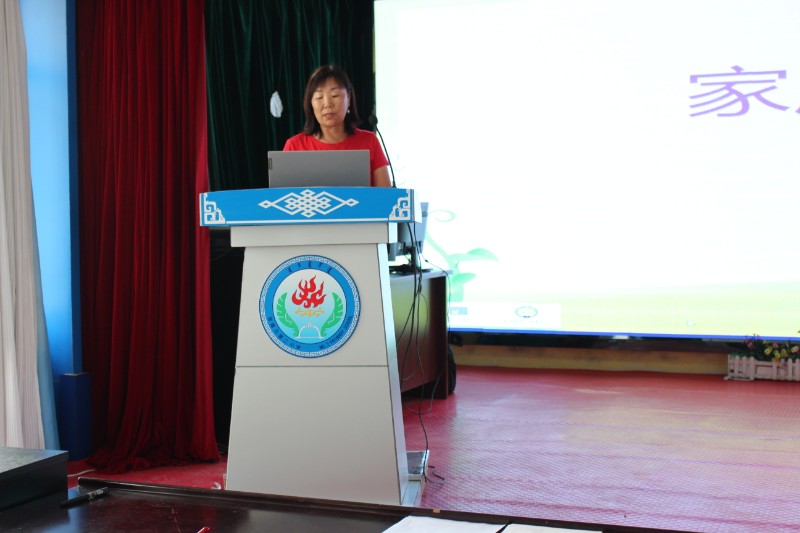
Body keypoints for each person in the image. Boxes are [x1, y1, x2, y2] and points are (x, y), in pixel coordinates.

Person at [283, 65, 392, 187]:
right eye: (319, 97)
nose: (327, 104)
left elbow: (386, 196)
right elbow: (282, 197)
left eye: (335, 95)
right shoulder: (294, 147)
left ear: (349, 98)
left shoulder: (369, 141)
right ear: (310, 104)